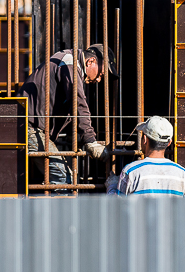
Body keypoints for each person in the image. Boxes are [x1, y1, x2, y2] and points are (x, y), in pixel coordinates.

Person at [19, 44, 114, 186]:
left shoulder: (68, 61)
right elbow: (77, 102)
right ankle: (61, 208)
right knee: (65, 179)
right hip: (28, 127)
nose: (99, 80)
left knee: (63, 177)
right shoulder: (70, 62)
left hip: (31, 126)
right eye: (101, 74)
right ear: (91, 62)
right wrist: (90, 140)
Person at [108, 116, 185, 196]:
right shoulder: (183, 174)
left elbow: (117, 207)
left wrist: (112, 185)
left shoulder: (130, 171)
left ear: (144, 139)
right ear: (169, 143)